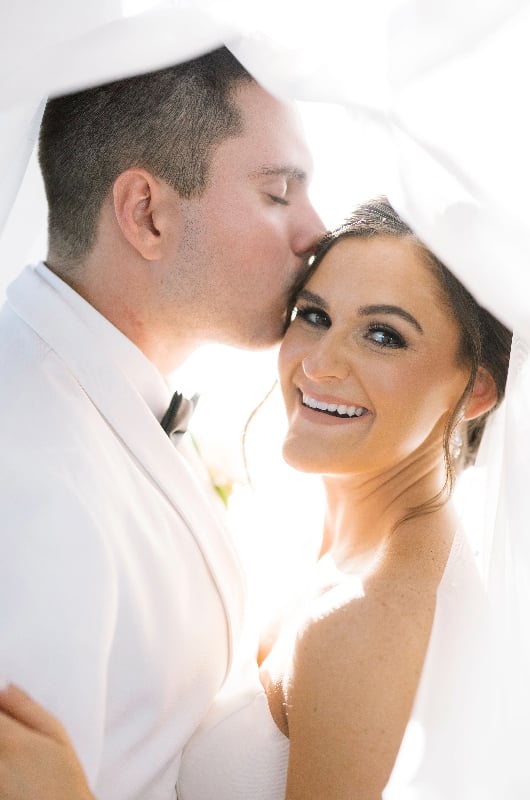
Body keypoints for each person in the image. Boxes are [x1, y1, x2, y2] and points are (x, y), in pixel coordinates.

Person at [0, 198, 512, 798]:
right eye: (314, 315)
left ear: (476, 389)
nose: (319, 364)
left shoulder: (371, 622)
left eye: (382, 335)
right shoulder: (338, 551)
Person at [0, 45, 325, 799]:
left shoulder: (99, 402)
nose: (316, 231)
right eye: (279, 192)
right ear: (147, 213)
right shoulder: (27, 471)